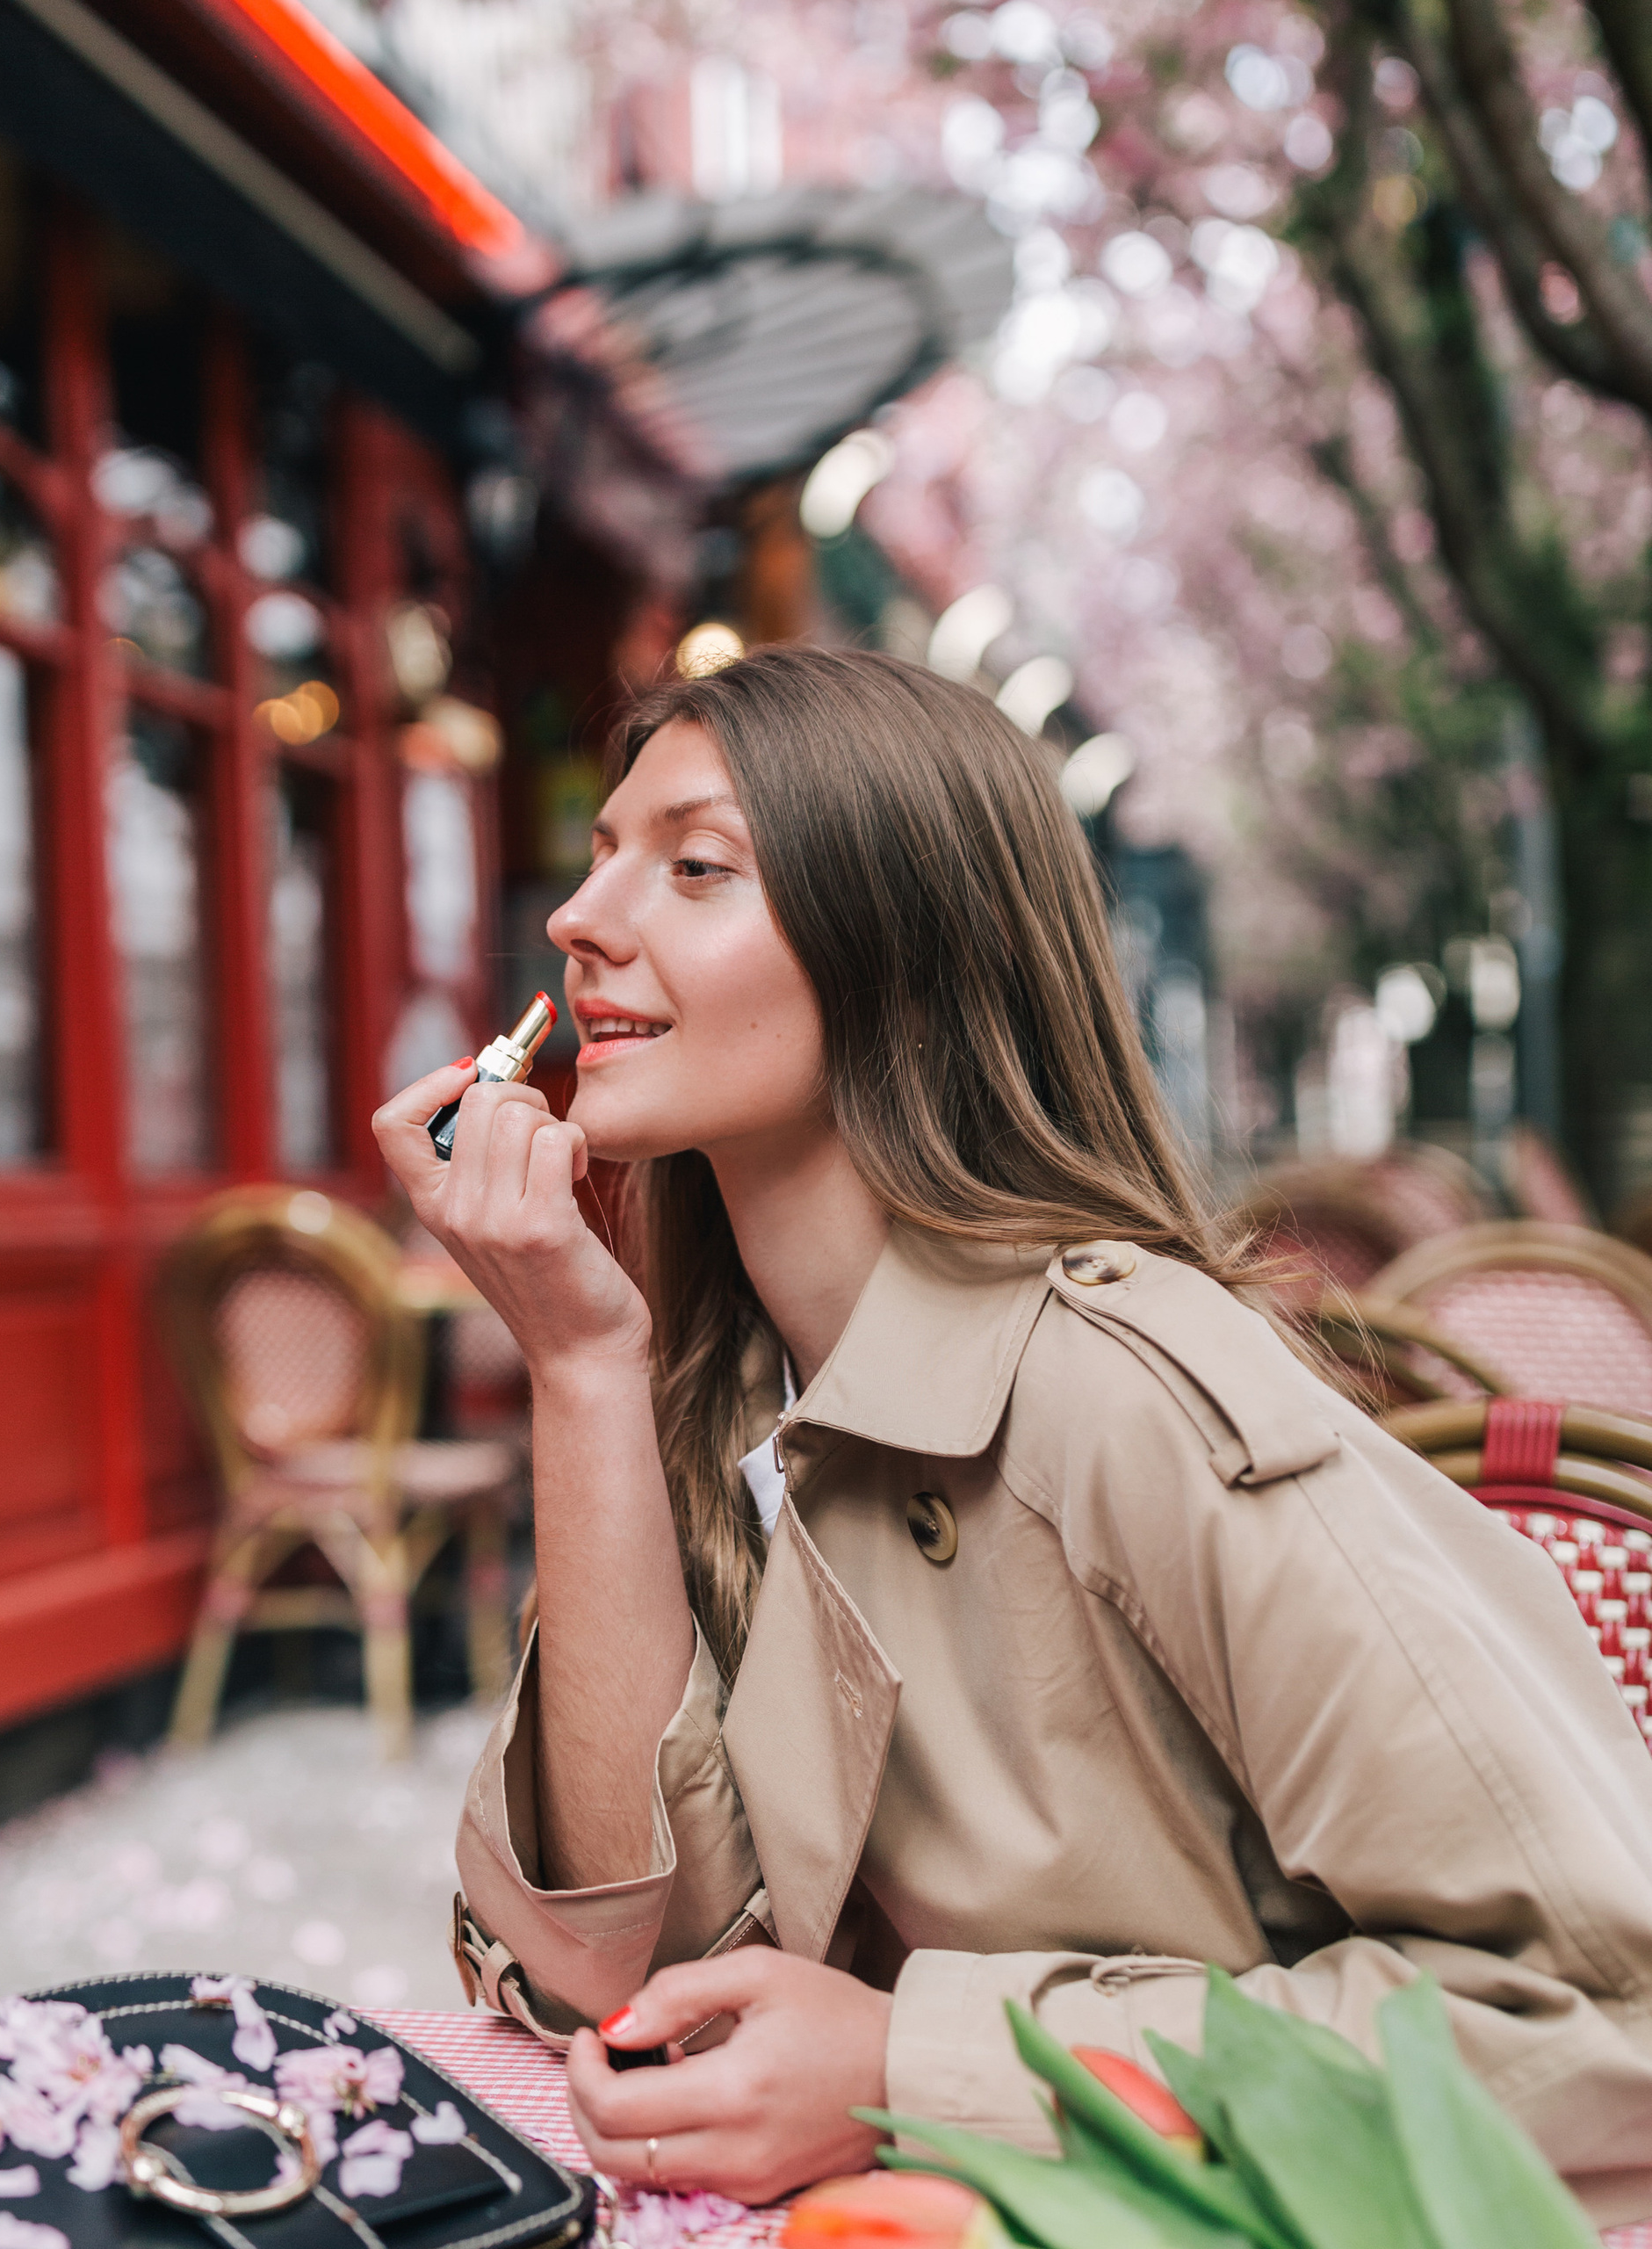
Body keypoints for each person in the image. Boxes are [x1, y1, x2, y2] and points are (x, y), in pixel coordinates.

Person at [370, 645, 1652, 2227]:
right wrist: (578, 1366)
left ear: (896, 947)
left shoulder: (1132, 1399)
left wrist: (918, 2065)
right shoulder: (734, 1399)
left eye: (695, 866)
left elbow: (1609, 2036)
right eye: (602, 854)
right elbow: (621, 1987)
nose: (579, 918)